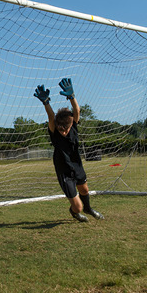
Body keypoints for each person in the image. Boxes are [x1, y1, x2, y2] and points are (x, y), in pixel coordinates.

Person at [34, 78, 104, 223]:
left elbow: (76, 110)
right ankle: (75, 212)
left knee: (84, 190)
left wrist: (72, 96)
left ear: (71, 124)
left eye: (66, 129)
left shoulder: (74, 126)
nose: (64, 132)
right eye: (61, 129)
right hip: (63, 170)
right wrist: (46, 102)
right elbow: (51, 116)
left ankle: (88, 209)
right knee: (77, 207)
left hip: (77, 165)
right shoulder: (54, 132)